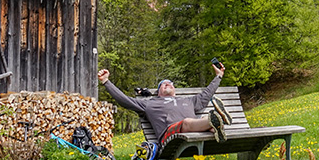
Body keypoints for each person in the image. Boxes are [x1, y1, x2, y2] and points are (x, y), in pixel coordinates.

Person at [97, 62, 232, 145]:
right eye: (164, 84)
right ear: (158, 91)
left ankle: (215, 125)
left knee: (203, 122)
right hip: (170, 136)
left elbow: (206, 95)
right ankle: (216, 121)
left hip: (193, 131)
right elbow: (124, 100)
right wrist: (106, 82)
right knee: (187, 122)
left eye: (171, 84)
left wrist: (218, 76)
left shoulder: (188, 101)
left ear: (174, 90)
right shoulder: (150, 104)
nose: (168, 84)